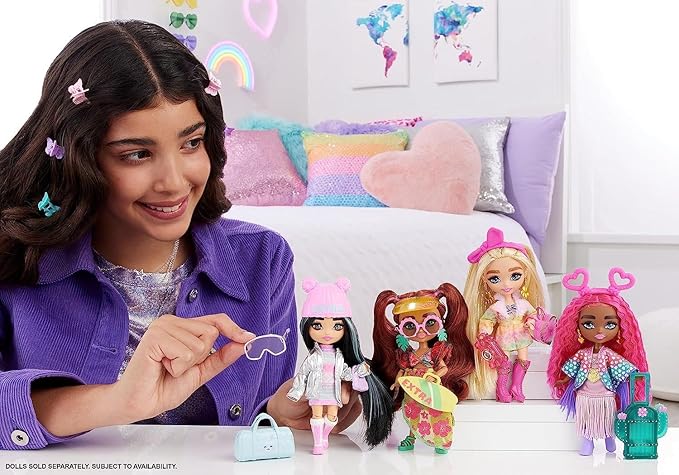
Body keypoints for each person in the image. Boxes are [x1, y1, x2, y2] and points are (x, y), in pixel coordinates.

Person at [0, 20, 360, 451]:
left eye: (191, 143)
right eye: (137, 154)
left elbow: (256, 419)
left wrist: (281, 413)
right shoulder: (17, 258)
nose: (174, 182)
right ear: (81, 158)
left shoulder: (263, 259)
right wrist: (114, 401)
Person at [546, 268, 648, 456]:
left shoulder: (609, 355)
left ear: (620, 326)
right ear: (577, 326)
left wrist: (632, 376)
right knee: (586, 419)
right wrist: (563, 379)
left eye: (610, 324)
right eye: (589, 324)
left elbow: (624, 369)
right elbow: (571, 368)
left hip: (605, 394)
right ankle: (588, 441)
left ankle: (609, 439)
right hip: (585, 394)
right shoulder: (582, 354)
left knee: (607, 418)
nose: (599, 330)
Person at [286, 277, 394, 454]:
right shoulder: (314, 358)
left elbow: (345, 373)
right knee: (317, 415)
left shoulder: (339, 357)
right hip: (316, 390)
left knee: (332, 417)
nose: (327, 332)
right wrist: (297, 390)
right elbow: (303, 373)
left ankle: (324, 436)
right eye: (318, 325)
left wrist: (358, 371)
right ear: (307, 327)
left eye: (337, 326)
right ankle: (318, 443)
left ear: (347, 328)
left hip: (333, 391)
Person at [463, 227, 544, 402]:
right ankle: (501, 389)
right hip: (504, 338)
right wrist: (484, 334)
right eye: (495, 279)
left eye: (515, 276)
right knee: (504, 361)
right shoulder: (496, 307)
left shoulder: (523, 303)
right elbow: (486, 321)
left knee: (523, 358)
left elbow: (532, 314)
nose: (506, 284)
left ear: (525, 273)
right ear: (484, 279)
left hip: (522, 335)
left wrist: (531, 321)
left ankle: (517, 387)